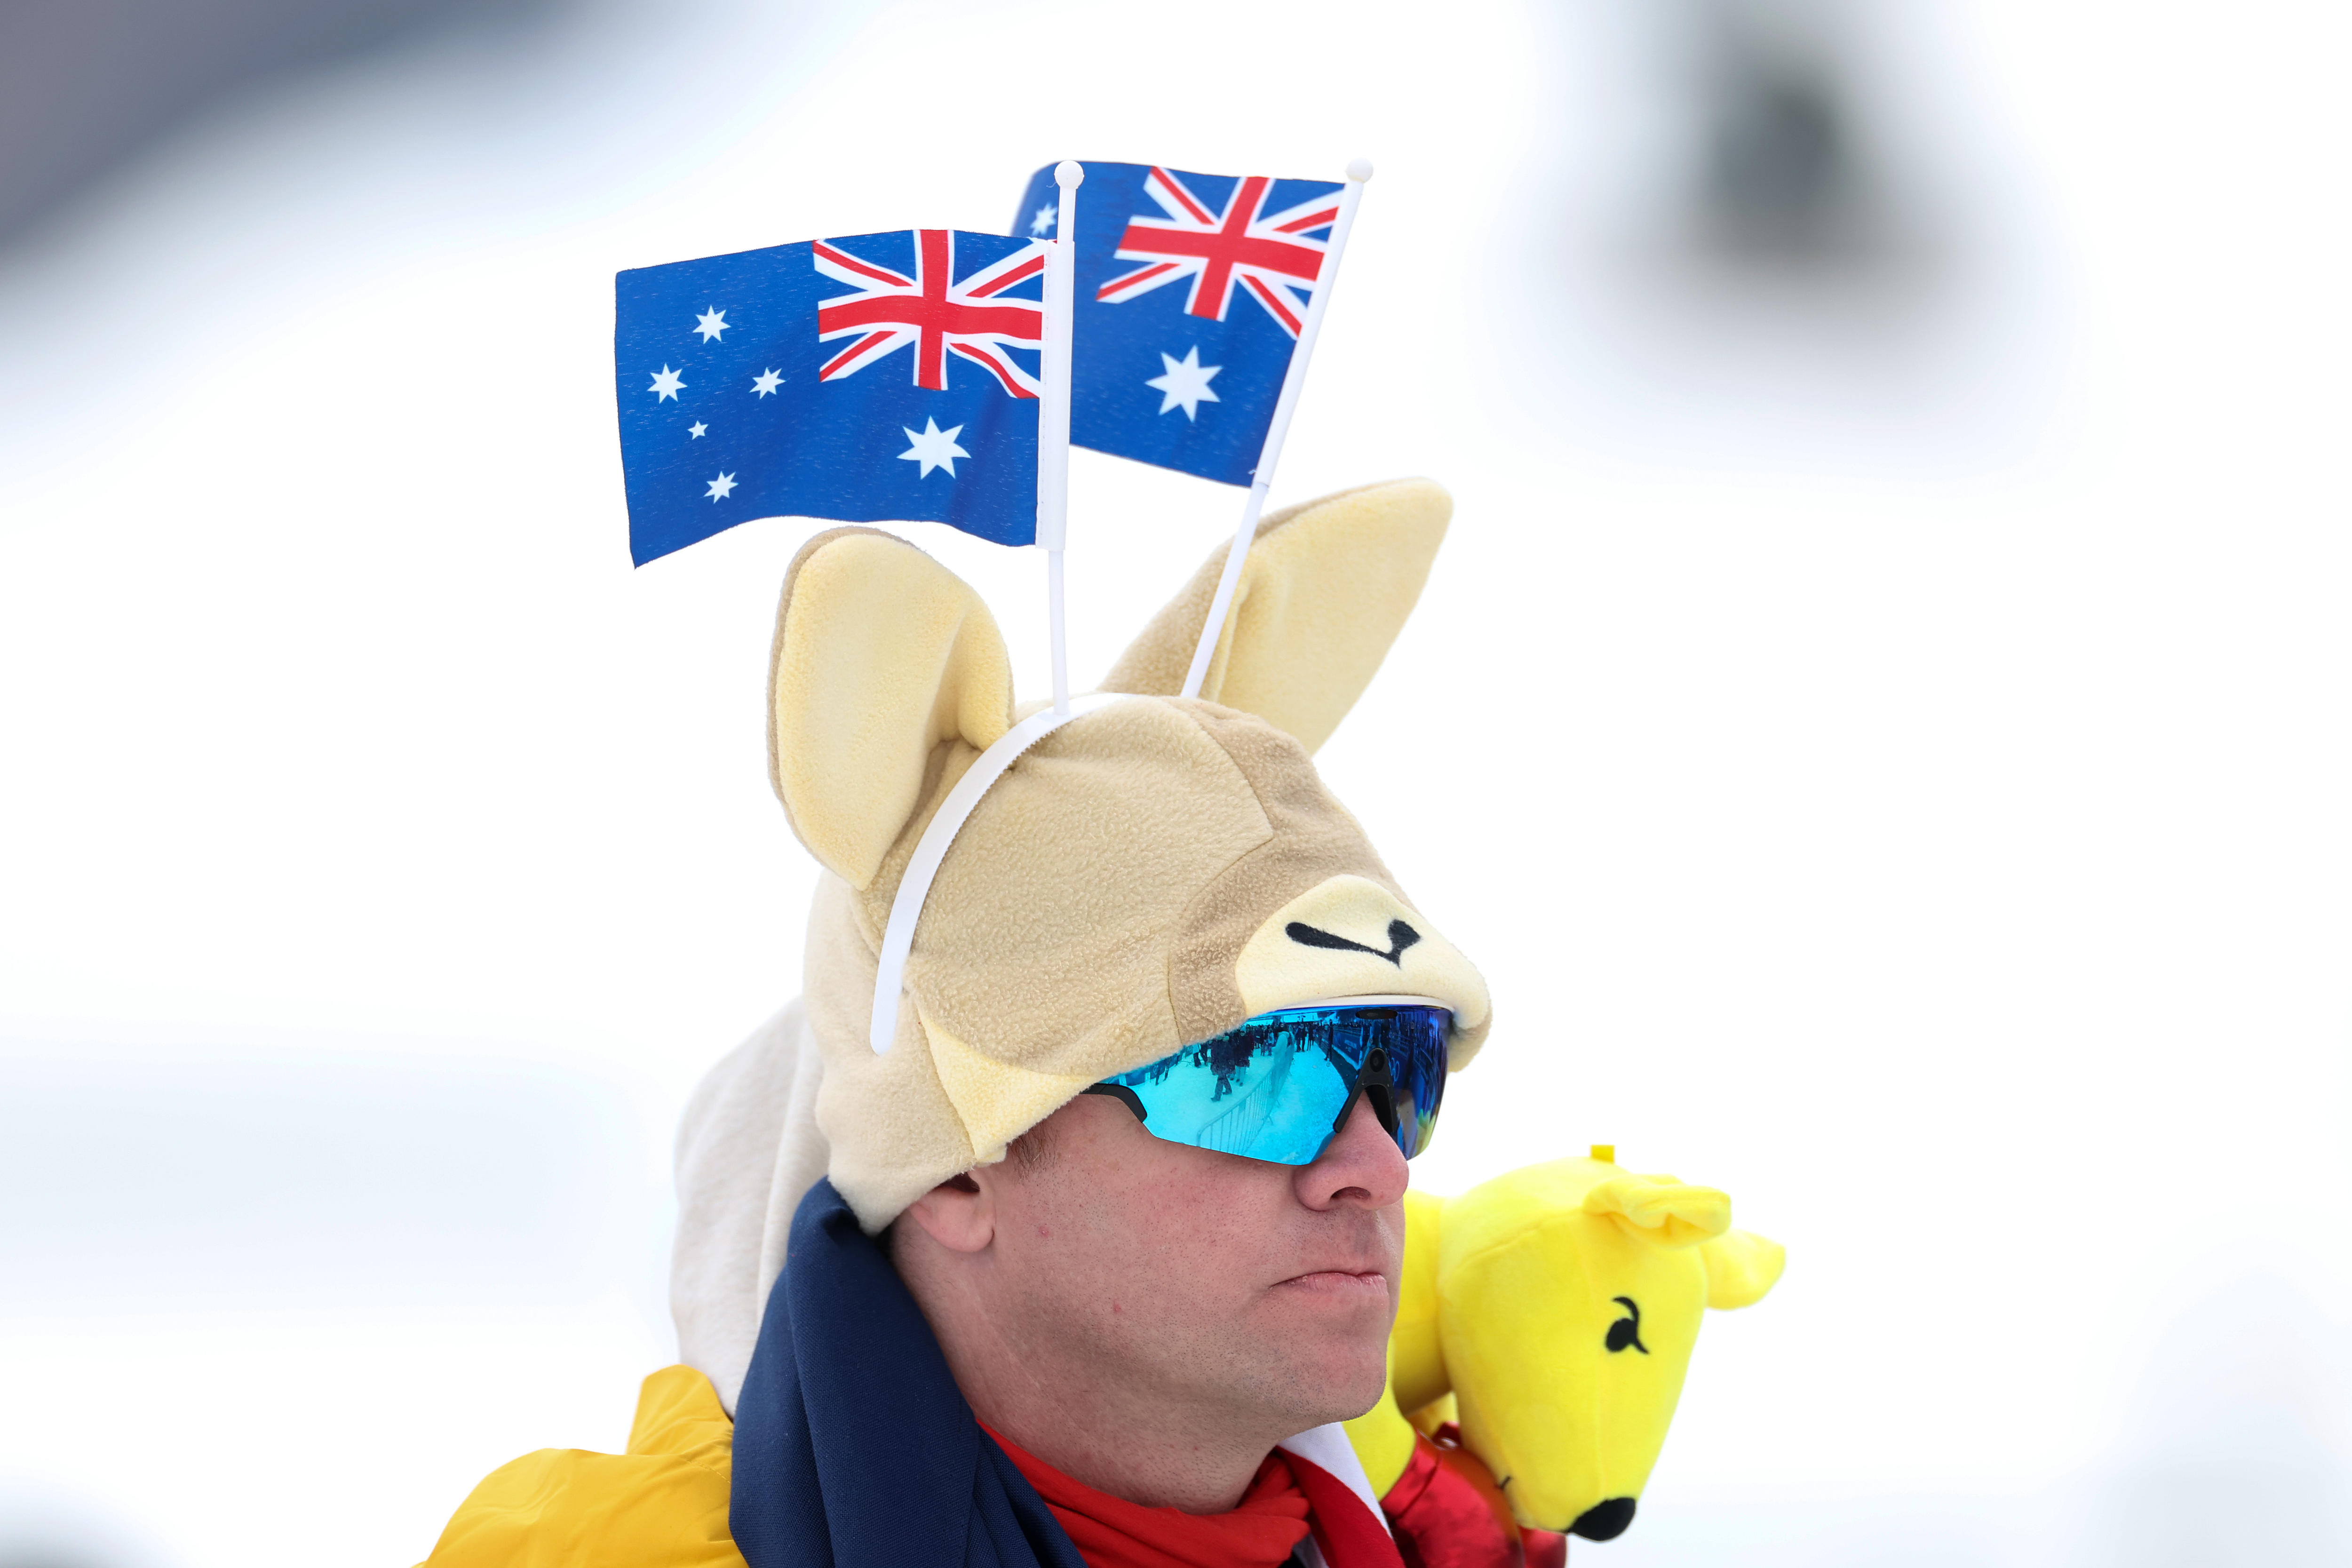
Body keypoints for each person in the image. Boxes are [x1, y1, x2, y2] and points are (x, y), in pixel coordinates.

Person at [420, 480, 1499, 1568]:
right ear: (956, 1175)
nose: (1376, 1165)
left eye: (1398, 1068)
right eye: (1259, 1071)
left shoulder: (1461, 1535)